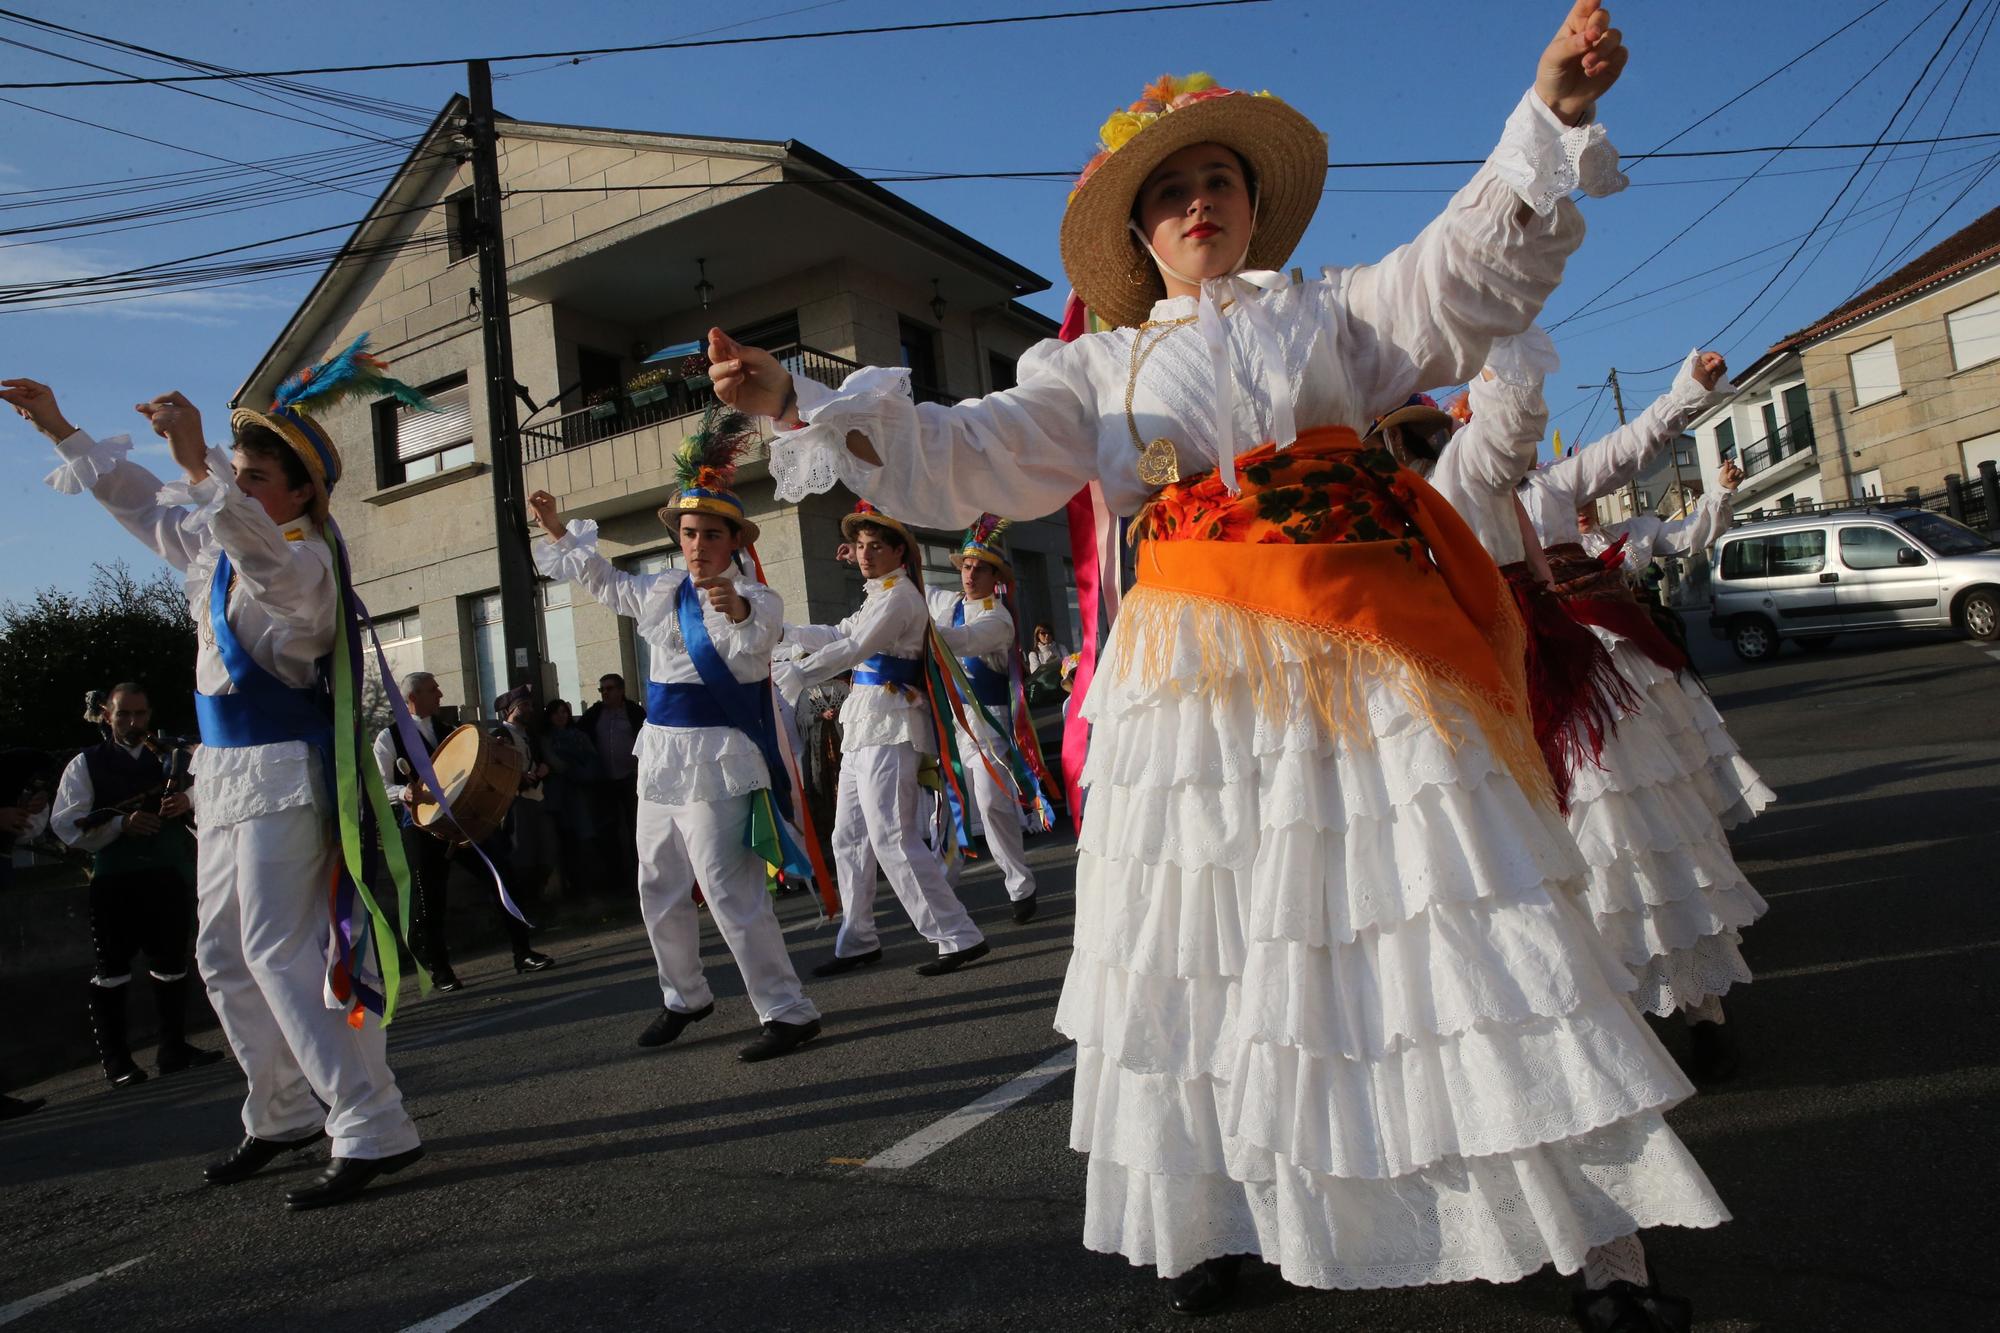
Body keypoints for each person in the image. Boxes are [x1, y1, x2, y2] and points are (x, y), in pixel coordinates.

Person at [710, 12, 1731, 1329]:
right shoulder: (1085, 368)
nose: (1198, 204)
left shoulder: (1339, 311)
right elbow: (963, 454)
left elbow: (1463, 276)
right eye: (1172, 190)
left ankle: (1600, 1250)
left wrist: (1551, 112)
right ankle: (1213, 1222)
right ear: (1138, 232)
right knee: (1199, 947)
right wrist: (801, 407)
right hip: (1189, 680)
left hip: (1369, 650)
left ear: (1256, 207)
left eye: (1219, 182)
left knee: (1460, 915)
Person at [8, 351, 423, 1210]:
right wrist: (61, 426)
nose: (235, 484)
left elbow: (265, 565)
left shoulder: (308, 566)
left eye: (255, 476)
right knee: (222, 956)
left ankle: (373, 1122)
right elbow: (138, 502)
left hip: (285, 776)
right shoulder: (217, 550)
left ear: (303, 493)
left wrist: (199, 468)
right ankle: (280, 1111)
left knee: (281, 950)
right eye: (236, 472)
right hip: (224, 776)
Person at [529, 406, 822, 1062]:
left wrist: (740, 608)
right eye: (688, 533)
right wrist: (557, 531)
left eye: (710, 535)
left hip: (719, 758)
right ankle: (684, 994)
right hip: (660, 756)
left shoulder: (757, 599)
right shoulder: (662, 591)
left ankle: (788, 1009)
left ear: (733, 541)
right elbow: (606, 582)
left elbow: (756, 646)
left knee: (727, 886)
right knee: (656, 880)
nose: (697, 545)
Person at [1522, 354, 1773, 1081]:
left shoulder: (1550, 487)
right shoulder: (1453, 500)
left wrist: (1685, 391)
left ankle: (1702, 1012)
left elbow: (1631, 445)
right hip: (1529, 682)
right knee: (1573, 851)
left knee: (1640, 822)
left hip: (1605, 668)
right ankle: (1620, 1019)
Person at [776, 503, 990, 978]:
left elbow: (855, 648)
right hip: (864, 721)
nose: (865, 553)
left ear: (899, 551)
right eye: (860, 546)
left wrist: (798, 673)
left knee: (892, 834)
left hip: (891, 721)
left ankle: (957, 934)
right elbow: (839, 631)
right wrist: (784, 632)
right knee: (847, 836)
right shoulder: (878, 596)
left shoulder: (899, 597)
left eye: (876, 546)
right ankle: (858, 939)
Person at [52, 683, 224, 1086]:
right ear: (106, 715)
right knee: (112, 969)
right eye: (123, 714)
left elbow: (215, 788)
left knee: (171, 963)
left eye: (140, 714)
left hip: (168, 871)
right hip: (115, 879)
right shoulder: (86, 763)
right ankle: (117, 1062)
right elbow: (65, 821)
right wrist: (120, 824)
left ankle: (173, 1049)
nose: (133, 723)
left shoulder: (174, 756)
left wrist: (188, 801)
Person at [371, 672, 553, 991]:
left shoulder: (451, 732)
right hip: (420, 827)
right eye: (433, 690)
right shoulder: (389, 737)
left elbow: (472, 764)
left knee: (502, 876)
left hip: (465, 822)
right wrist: (403, 793)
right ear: (413, 698)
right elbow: (378, 785)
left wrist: (492, 750)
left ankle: (522, 952)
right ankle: (439, 970)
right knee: (429, 898)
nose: (440, 694)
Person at [927, 517, 1049, 924]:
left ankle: (1021, 885)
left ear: (995, 576)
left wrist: (915, 628)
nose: (971, 573)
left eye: (980, 568)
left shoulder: (998, 619)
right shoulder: (948, 604)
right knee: (948, 807)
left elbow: (961, 641)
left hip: (988, 726)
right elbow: (911, 588)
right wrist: (862, 562)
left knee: (991, 804)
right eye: (966, 566)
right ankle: (941, 895)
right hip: (952, 726)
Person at [580, 672, 644, 885]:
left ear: (621, 690)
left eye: (609, 689)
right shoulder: (595, 714)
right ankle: (617, 878)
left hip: (631, 780)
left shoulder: (634, 712)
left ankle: (640, 874)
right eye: (602, 690)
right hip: (604, 781)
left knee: (636, 827)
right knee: (608, 829)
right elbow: (578, 735)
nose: (605, 693)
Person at [541, 697, 604, 893]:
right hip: (560, 795)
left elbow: (593, 761)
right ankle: (574, 884)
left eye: (564, 712)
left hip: (582, 794)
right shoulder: (547, 739)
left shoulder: (579, 736)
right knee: (566, 840)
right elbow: (555, 763)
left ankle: (590, 884)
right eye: (556, 713)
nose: (561, 716)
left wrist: (580, 773)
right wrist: (570, 769)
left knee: (586, 839)